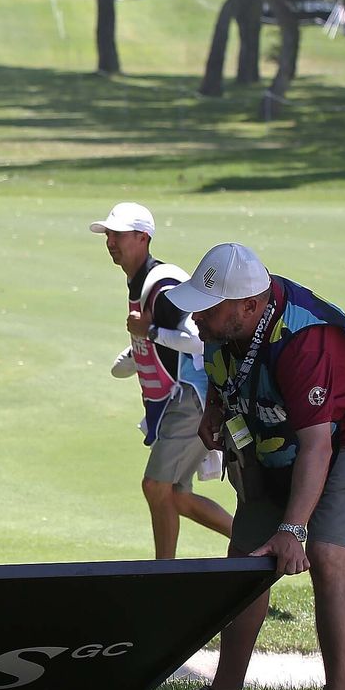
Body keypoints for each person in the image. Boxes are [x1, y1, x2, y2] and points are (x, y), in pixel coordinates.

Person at [159, 243, 345, 690]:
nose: (197, 316)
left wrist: (293, 529)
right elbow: (231, 376)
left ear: (250, 305)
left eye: (210, 307)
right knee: (245, 559)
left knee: (328, 553)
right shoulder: (224, 324)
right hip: (277, 437)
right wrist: (216, 410)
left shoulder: (307, 342)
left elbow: (318, 447)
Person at [91, 202, 232, 560]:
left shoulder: (163, 285)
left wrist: (148, 331)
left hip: (193, 398)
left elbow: (198, 339)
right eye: (108, 233)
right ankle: (260, 547)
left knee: (156, 486)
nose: (111, 241)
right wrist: (135, 352)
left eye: (119, 234)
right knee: (176, 495)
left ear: (143, 237)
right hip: (183, 399)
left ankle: (163, 574)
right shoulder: (141, 282)